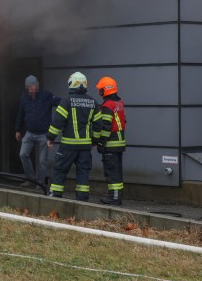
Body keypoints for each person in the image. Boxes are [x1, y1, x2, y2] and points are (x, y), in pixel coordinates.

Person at [46, 72, 99, 201]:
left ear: (71, 84)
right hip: (85, 146)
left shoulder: (67, 101)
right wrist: (95, 141)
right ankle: (82, 198)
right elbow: (98, 125)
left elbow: (58, 121)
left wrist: (50, 137)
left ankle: (55, 196)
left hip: (68, 145)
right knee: (83, 171)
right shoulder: (93, 102)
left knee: (60, 169)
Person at [14, 75, 60, 188]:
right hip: (29, 133)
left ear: (38, 86)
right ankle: (31, 179)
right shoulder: (24, 98)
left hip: (44, 134)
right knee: (23, 154)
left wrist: (71, 102)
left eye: (34, 86)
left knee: (42, 162)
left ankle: (39, 183)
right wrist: (18, 130)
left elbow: (61, 103)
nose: (32, 88)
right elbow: (21, 114)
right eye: (30, 86)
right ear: (27, 87)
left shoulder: (47, 95)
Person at [94, 76, 127, 206]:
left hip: (110, 144)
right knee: (117, 171)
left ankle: (114, 198)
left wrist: (101, 142)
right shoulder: (119, 103)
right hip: (119, 143)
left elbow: (106, 126)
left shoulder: (107, 105)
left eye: (100, 89)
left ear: (104, 90)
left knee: (111, 172)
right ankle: (117, 196)